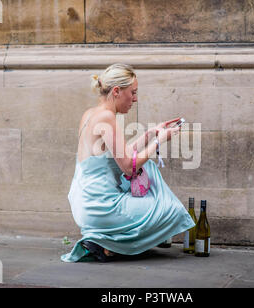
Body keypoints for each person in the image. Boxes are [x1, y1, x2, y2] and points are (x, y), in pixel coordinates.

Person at [61, 63, 196, 262]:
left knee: (150, 177)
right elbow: (129, 167)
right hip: (99, 206)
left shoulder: (91, 113)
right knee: (170, 210)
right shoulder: (107, 117)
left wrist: (151, 134)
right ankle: (106, 242)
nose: (135, 98)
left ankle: (105, 244)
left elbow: (120, 154)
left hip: (84, 203)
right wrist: (160, 141)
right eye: (132, 92)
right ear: (116, 91)